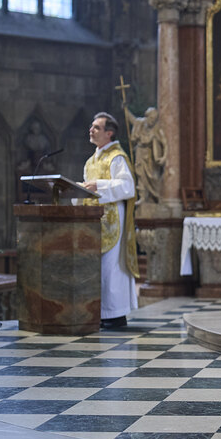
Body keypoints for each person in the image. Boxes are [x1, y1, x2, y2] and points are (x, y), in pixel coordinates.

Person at [81, 112, 138, 329]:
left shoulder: (117, 157)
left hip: (113, 219)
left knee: (111, 268)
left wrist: (99, 185)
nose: (91, 130)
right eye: (91, 126)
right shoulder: (90, 161)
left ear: (109, 133)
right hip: (93, 220)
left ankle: (115, 314)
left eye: (96, 127)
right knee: (97, 268)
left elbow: (128, 187)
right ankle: (98, 311)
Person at [125, 106, 168, 205]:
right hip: (140, 151)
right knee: (141, 175)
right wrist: (125, 109)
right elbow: (131, 119)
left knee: (153, 176)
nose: (152, 121)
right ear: (147, 117)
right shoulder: (140, 123)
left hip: (151, 155)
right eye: (151, 118)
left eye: (155, 119)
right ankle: (143, 197)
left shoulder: (157, 128)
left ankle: (157, 196)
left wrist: (164, 157)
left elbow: (165, 143)